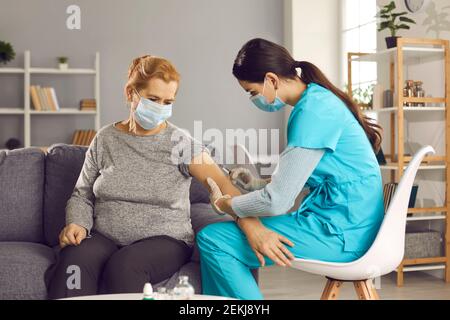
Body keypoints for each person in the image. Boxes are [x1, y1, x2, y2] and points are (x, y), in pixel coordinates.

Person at [197, 38, 385, 300]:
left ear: (271, 79)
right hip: (345, 224)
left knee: (214, 240)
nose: (254, 98)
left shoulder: (313, 113)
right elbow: (293, 185)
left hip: (343, 235)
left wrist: (226, 204)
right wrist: (254, 184)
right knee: (223, 236)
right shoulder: (318, 100)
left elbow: (278, 202)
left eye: (252, 92)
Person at [45, 55, 242, 299]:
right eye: (153, 99)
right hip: (105, 236)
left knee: (124, 266)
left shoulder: (181, 144)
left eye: (167, 101)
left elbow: (222, 183)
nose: (160, 108)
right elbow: (81, 193)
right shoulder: (105, 139)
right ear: (131, 93)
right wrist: (77, 223)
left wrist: (250, 222)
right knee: (74, 259)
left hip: (165, 241)